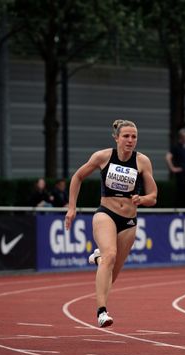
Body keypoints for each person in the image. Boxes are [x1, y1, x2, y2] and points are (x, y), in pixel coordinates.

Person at [64, 119, 157, 328]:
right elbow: (77, 177)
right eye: (126, 136)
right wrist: (72, 208)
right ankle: (101, 311)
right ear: (116, 137)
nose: (130, 140)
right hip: (105, 213)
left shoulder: (142, 162)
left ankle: (99, 260)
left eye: (134, 137)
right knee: (110, 255)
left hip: (129, 221)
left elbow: (153, 196)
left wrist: (141, 199)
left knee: (112, 274)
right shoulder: (103, 157)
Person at [166, 128, 185, 208]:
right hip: (180, 172)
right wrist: (173, 168)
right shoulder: (176, 146)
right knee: (180, 191)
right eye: (183, 136)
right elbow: (168, 157)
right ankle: (178, 208)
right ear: (181, 137)